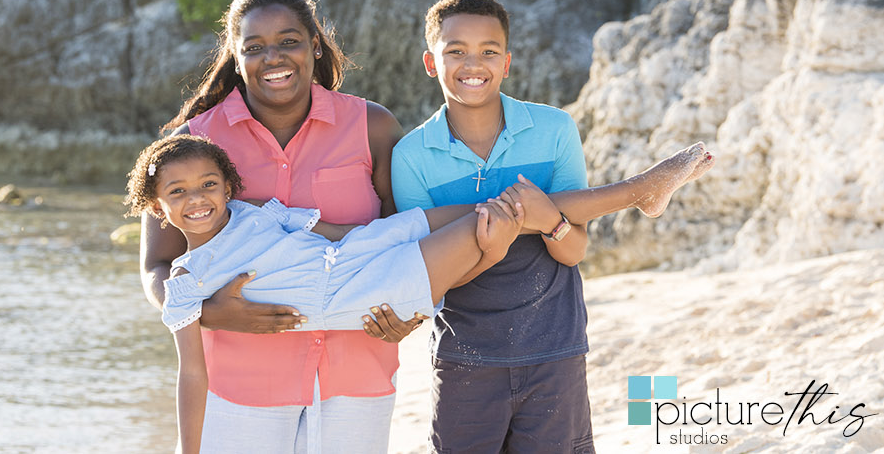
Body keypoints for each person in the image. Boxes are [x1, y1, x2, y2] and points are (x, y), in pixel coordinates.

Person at [139, 130, 713, 453]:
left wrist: (394, 230)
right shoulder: (186, 281)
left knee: (505, 204)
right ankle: (643, 188)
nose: (197, 198)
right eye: (179, 192)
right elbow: (193, 373)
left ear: (229, 184)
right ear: (156, 208)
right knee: (504, 217)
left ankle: (642, 190)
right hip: (368, 294)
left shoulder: (253, 212)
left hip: (362, 252)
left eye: (208, 184)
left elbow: (329, 233)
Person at [389, 0, 711, 452]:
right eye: (455, 51)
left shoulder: (554, 129)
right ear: (430, 62)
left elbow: (574, 250)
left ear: (507, 62)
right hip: (466, 355)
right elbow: (428, 277)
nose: (472, 63)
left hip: (553, 348)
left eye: (489, 52)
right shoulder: (411, 156)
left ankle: (640, 189)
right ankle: (638, 190)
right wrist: (501, 241)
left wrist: (553, 223)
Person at [142, 0, 420, 452]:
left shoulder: (372, 127)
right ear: (235, 54)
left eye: (289, 41)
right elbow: (157, 267)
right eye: (255, 47)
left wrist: (407, 313)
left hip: (357, 371)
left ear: (314, 44)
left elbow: (405, 242)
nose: (273, 57)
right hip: (238, 383)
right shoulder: (196, 141)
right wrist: (209, 313)